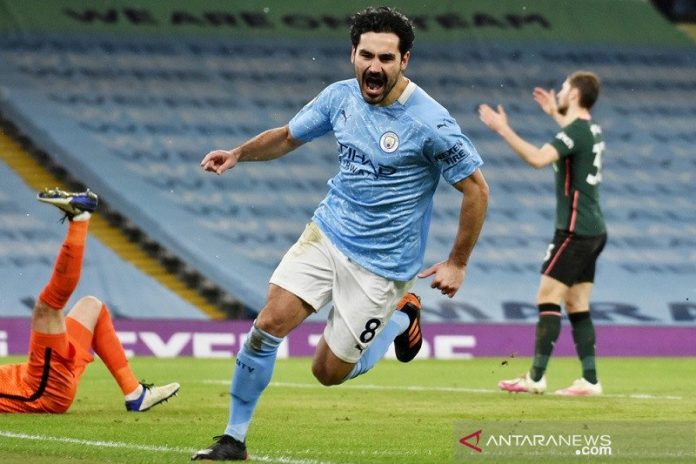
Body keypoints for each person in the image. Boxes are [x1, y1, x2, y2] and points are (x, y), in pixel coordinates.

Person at [192, 6, 488, 461]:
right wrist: (238, 154)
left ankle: (401, 318)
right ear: (352, 54)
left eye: (386, 58)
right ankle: (233, 439)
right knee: (268, 324)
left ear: (404, 61)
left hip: (383, 266)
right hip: (327, 234)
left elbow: (476, 189)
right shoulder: (340, 97)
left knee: (326, 372)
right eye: (366, 55)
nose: (374, 66)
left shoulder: (430, 122)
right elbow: (289, 136)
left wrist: (458, 262)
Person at [478, 71, 607, 396]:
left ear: (575, 95)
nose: (559, 92)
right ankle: (590, 380)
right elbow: (571, 134)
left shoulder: (576, 132)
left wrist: (503, 129)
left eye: (564, 88)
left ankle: (535, 377)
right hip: (593, 230)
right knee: (577, 302)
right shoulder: (589, 129)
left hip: (575, 231)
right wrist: (553, 112)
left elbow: (537, 158)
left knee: (547, 298)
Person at [0, 188, 180, 413]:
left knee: (91, 306)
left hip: (39, 376)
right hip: (40, 391)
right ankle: (80, 219)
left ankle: (135, 393)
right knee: (47, 308)